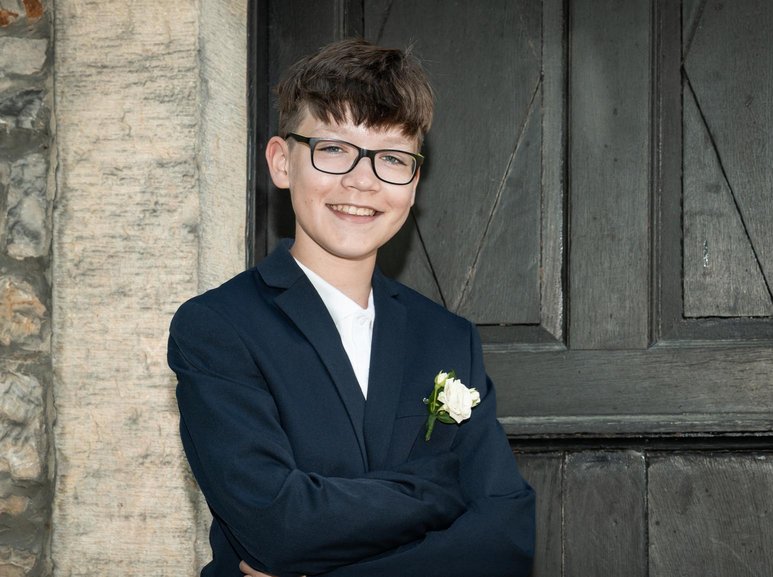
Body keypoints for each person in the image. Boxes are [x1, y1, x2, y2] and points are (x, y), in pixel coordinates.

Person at [168, 38, 536, 577]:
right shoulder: (219, 327)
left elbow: (506, 537)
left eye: (392, 158)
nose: (362, 181)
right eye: (335, 149)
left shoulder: (449, 337)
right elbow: (278, 528)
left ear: (414, 182)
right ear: (282, 162)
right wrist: (439, 490)